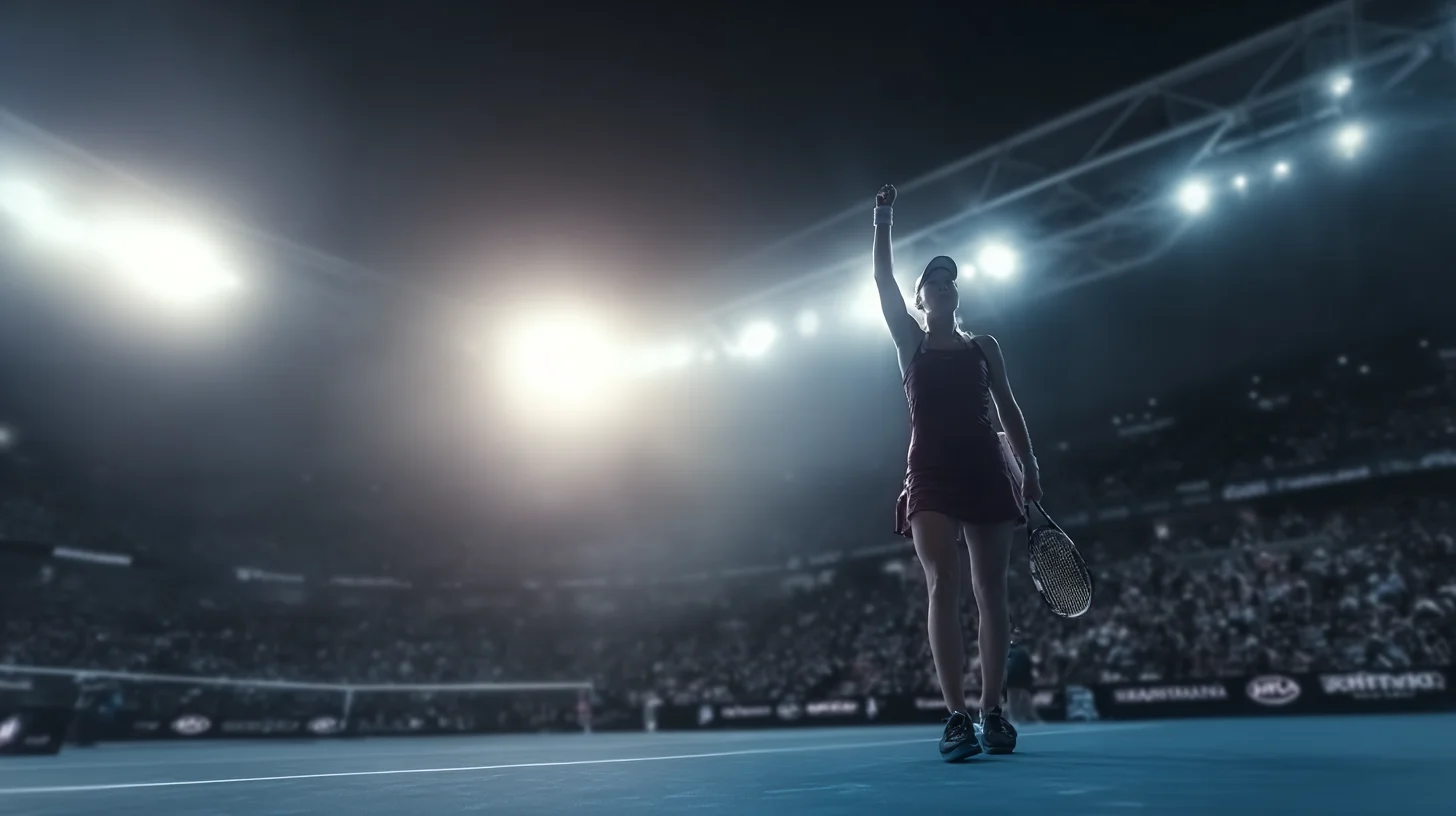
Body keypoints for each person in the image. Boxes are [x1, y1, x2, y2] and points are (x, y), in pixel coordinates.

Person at [871, 183, 1043, 762]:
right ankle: (956, 718)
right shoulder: (910, 343)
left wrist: (1029, 466)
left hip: (988, 470)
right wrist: (883, 220)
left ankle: (992, 711)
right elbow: (880, 283)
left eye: (949, 279)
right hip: (931, 473)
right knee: (943, 583)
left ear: (956, 293)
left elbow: (1011, 410)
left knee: (991, 590)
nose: (941, 285)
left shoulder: (985, 347)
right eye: (931, 282)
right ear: (920, 300)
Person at [1004, 629, 1040, 726]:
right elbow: (1006, 665)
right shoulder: (1009, 650)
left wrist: (1029, 679)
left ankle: (1030, 717)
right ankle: (1012, 718)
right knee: (1012, 699)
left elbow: (1028, 666)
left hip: (1021, 679)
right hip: (1012, 678)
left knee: (1023, 697)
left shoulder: (1023, 651)